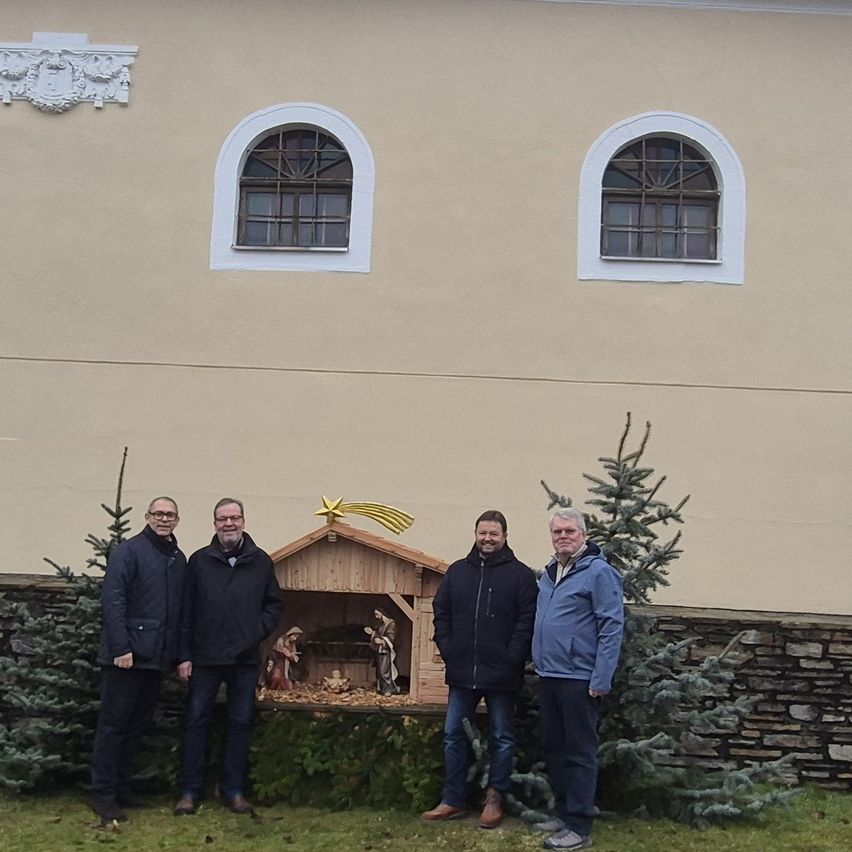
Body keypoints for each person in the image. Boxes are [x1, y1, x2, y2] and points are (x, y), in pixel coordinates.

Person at [422, 510, 538, 830]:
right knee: (453, 736)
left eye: (494, 534)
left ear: (505, 536)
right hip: (462, 674)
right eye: (482, 533)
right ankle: (453, 800)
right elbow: (441, 612)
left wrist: (512, 656)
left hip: (503, 675)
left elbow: (527, 621)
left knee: (502, 737)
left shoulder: (521, 576)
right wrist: (448, 647)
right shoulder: (457, 572)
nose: (488, 538)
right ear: (475, 534)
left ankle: (494, 797)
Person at [173, 498, 282, 817]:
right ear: (214, 524)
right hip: (204, 659)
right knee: (195, 723)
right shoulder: (199, 561)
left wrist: (254, 632)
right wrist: (184, 655)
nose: (229, 524)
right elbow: (185, 612)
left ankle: (233, 791)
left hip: (244, 660)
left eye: (234, 518)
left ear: (244, 522)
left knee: (240, 723)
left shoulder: (261, 562)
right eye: (223, 519)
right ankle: (189, 792)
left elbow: (273, 606)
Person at [531, 508, 625, 850]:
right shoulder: (550, 573)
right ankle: (563, 813)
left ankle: (580, 827)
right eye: (557, 532)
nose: (563, 536)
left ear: (583, 535)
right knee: (556, 749)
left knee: (580, 753)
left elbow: (612, 626)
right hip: (550, 674)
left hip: (580, 679)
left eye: (570, 531)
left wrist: (601, 678)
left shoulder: (599, 573)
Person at [90, 496, 186, 823]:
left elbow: (178, 611)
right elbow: (113, 600)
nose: (164, 518)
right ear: (147, 516)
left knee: (137, 727)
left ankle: (122, 788)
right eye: (158, 513)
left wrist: (176, 654)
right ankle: (103, 796)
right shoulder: (128, 552)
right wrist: (121, 648)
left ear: (177, 520)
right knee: (113, 727)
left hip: (155, 658)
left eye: (170, 514)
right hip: (126, 657)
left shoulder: (177, 557)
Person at [364, 608, 400, 695]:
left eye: (377, 614)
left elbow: (391, 636)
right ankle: (384, 689)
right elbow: (379, 635)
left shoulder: (391, 624)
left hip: (386, 650)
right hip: (380, 650)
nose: (376, 616)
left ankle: (389, 689)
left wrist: (382, 641)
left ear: (382, 613)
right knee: (380, 671)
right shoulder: (382, 625)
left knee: (385, 671)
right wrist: (372, 633)